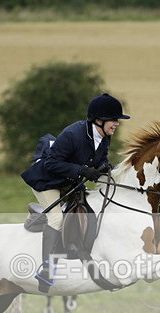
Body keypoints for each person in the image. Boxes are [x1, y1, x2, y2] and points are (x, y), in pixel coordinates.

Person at [21, 93, 130, 293]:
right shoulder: (73, 134)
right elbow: (52, 163)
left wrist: (105, 168)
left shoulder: (104, 137)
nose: (117, 124)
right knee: (56, 218)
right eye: (114, 120)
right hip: (47, 181)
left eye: (117, 120)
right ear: (99, 119)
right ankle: (46, 268)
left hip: (69, 181)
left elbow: (100, 160)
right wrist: (81, 171)